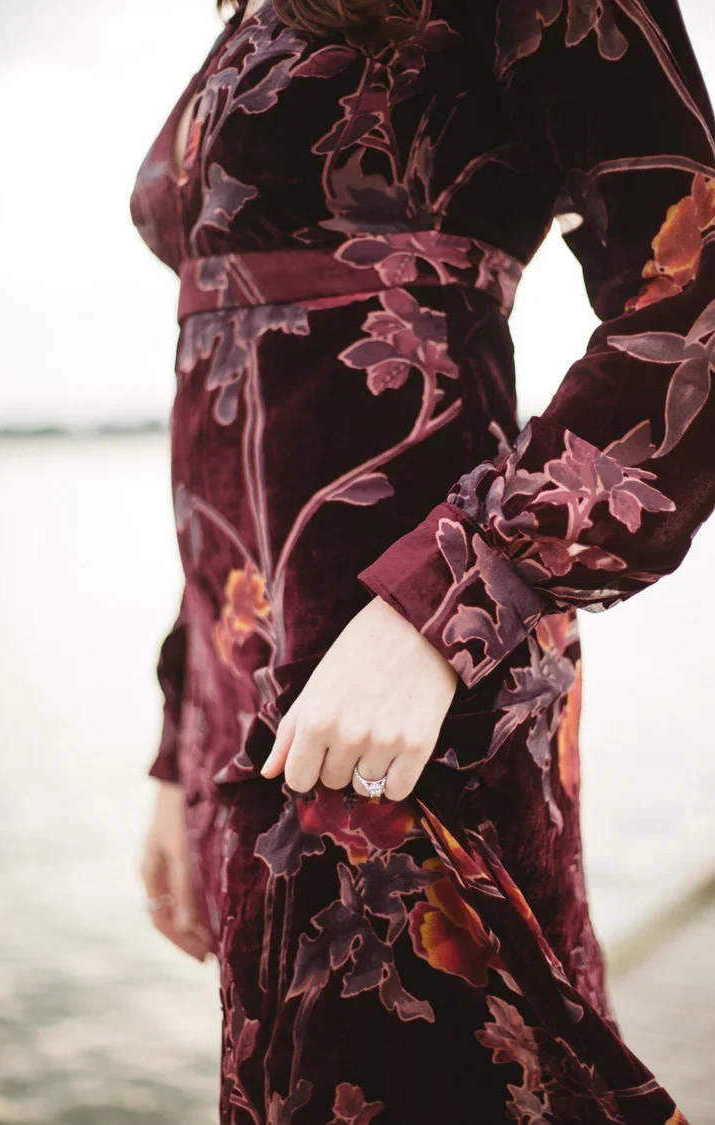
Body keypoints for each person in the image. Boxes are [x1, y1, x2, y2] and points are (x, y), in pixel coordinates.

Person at [131, 0, 714, 1118]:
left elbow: (697, 293)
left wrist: (446, 610)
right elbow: (237, 426)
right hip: (253, 686)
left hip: (416, 669)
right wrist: (178, 747)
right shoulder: (241, 17)